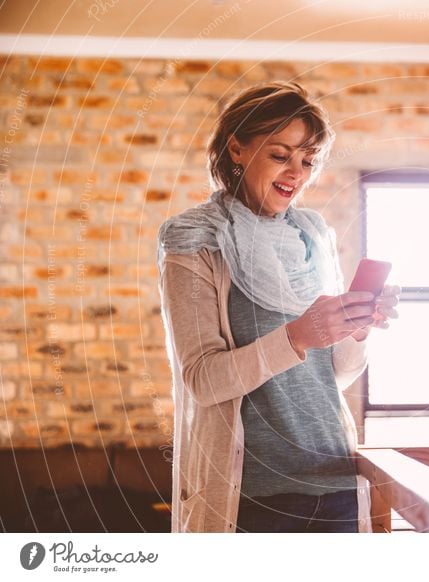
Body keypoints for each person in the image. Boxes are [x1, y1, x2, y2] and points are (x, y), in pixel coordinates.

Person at [156, 81, 400, 533]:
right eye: (280, 154)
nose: (296, 173)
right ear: (237, 149)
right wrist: (298, 335)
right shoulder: (194, 241)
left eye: (308, 160)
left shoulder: (313, 237)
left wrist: (357, 328)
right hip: (253, 494)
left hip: (337, 482)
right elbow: (204, 382)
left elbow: (331, 377)